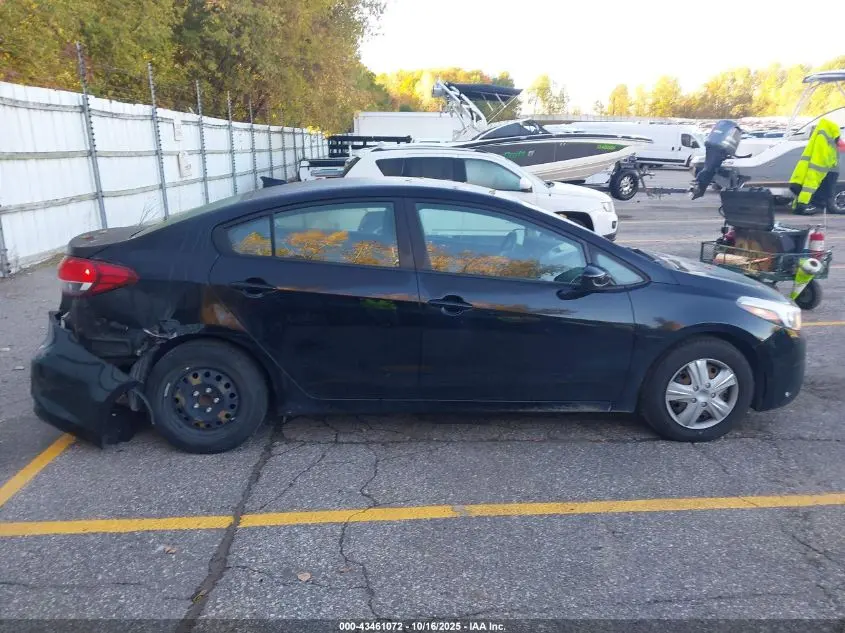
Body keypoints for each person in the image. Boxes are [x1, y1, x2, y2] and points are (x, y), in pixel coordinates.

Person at [789, 118, 843, 215]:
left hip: (818, 168)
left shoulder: (820, 136)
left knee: (808, 187)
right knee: (812, 187)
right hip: (825, 168)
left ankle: (799, 207)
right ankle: (803, 207)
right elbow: (840, 147)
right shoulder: (829, 136)